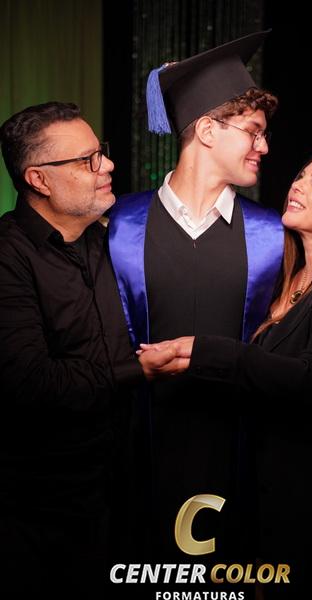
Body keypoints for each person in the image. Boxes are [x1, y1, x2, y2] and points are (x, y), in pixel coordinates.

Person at [139, 149, 312, 598]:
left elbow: (311, 380)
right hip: (266, 498)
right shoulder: (285, 279)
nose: (297, 184)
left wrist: (205, 351)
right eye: (301, 175)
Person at [108, 31, 284, 562]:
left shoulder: (273, 237)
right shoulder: (117, 226)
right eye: (254, 131)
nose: (264, 147)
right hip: (133, 459)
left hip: (238, 459)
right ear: (207, 130)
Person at [0, 101, 141, 599]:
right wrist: (137, 369)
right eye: (87, 160)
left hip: (120, 494)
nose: (108, 165)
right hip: (38, 512)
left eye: (101, 152)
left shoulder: (112, 242)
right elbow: (30, 383)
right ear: (39, 179)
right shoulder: (8, 256)